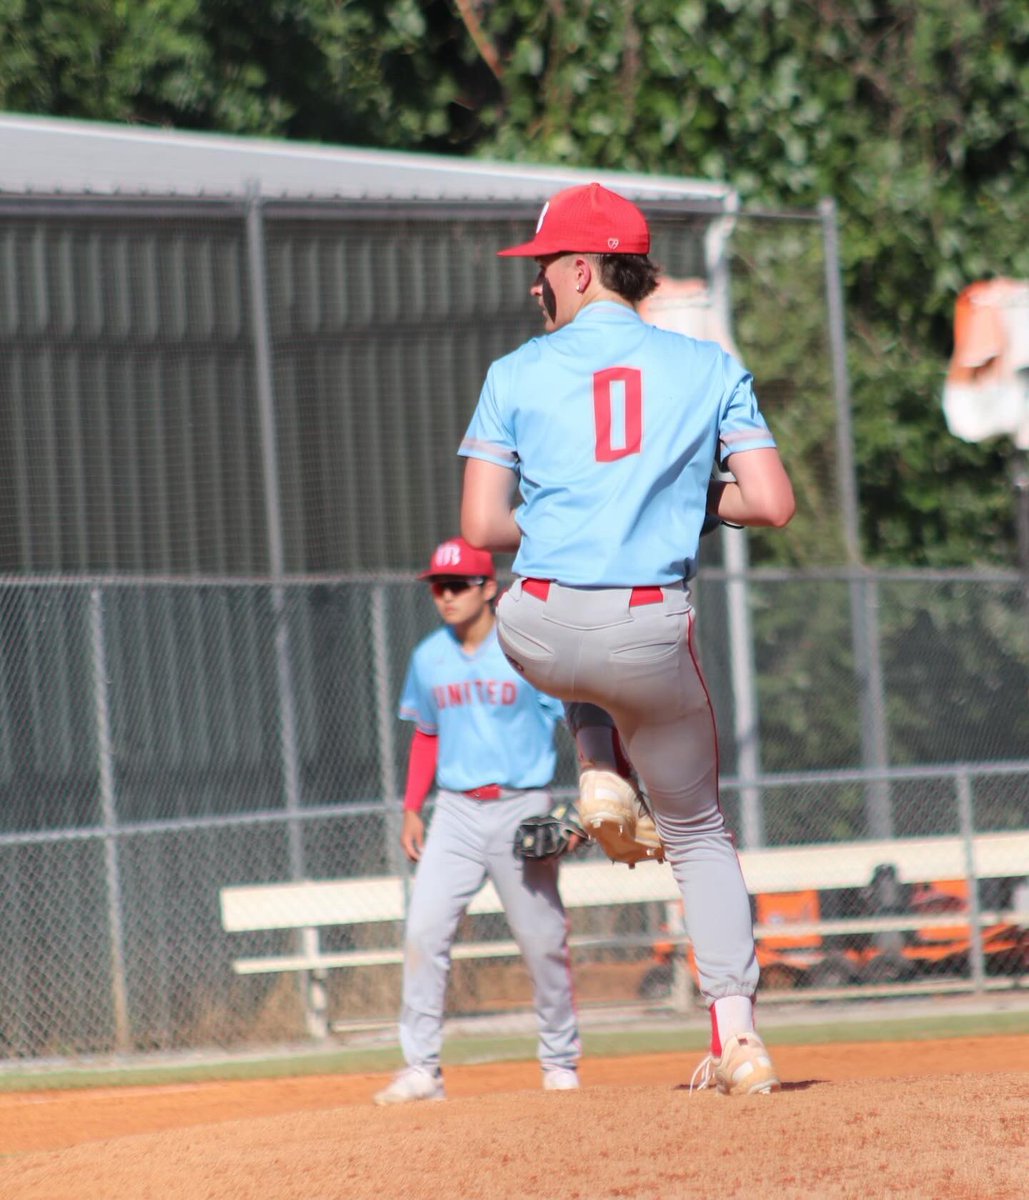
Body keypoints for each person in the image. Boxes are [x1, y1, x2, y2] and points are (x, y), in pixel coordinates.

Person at [458, 182, 796, 1097]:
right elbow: (771, 503)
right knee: (697, 833)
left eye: (542, 269)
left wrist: (571, 518)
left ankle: (596, 761)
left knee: (568, 643)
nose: (534, 285)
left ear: (580, 269)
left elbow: (481, 526)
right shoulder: (709, 367)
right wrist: (683, 502)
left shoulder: (512, 374)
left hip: (534, 625)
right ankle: (739, 1039)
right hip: (646, 633)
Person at [373, 536, 581, 1105]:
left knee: (542, 940)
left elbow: (575, 719)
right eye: (438, 586)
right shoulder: (429, 657)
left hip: (522, 807)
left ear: (489, 588)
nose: (446, 595)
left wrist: (591, 794)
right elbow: (427, 734)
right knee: (423, 933)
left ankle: (560, 1061)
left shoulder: (524, 650)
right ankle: (422, 1069)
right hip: (455, 811)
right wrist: (411, 808)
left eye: (458, 585)